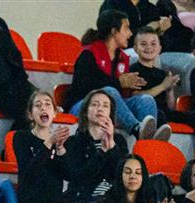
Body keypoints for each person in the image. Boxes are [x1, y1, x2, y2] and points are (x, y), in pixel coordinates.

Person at [69, 10, 171, 141]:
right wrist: (119, 83)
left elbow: (122, 95)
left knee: (146, 100)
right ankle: (137, 129)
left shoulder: (123, 57)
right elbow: (84, 86)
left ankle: (149, 144)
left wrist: (130, 86)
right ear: (114, 31)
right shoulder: (89, 53)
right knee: (108, 92)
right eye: (127, 28)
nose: (130, 33)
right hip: (83, 105)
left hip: (109, 107)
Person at [60, 91, 131, 203]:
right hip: (83, 200)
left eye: (105, 106)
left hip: (112, 201)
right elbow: (79, 177)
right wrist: (102, 152)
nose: (100, 109)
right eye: (95, 104)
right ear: (85, 112)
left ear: (110, 113)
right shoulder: (74, 142)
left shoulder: (119, 141)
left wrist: (112, 145)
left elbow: (122, 176)